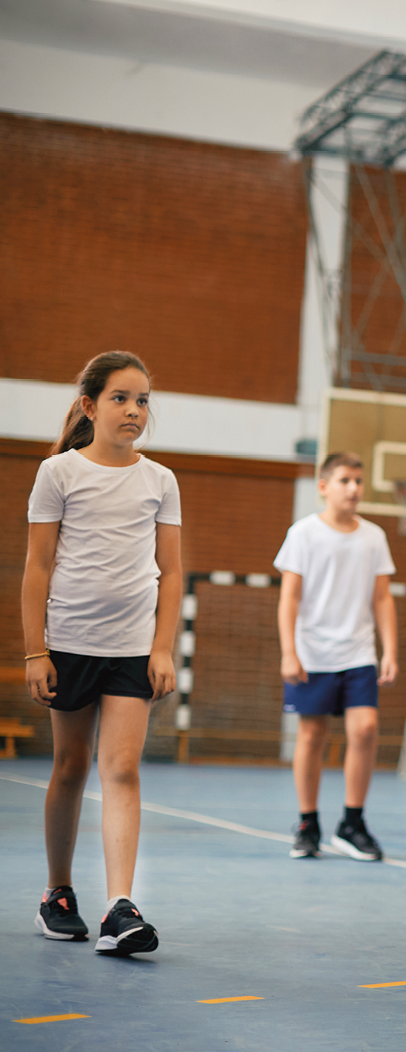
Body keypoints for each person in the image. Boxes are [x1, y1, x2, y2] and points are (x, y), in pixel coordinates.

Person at [23, 351, 181, 956]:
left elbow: (173, 570)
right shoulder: (58, 473)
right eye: (121, 398)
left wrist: (161, 648)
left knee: (122, 769)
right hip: (68, 646)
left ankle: (121, 907)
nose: (135, 410)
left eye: (143, 400)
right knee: (70, 767)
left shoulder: (160, 480)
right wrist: (36, 651)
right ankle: (57, 894)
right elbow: (37, 569)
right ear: (90, 406)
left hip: (131, 652)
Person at [275, 452, 398, 862]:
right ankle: (308, 823)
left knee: (364, 730)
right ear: (324, 486)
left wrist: (389, 650)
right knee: (312, 735)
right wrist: (289, 652)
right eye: (345, 480)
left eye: (359, 481)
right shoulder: (303, 533)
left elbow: (382, 597)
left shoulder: (373, 537)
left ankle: (352, 823)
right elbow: (289, 597)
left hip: (358, 651)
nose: (354, 488)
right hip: (312, 654)